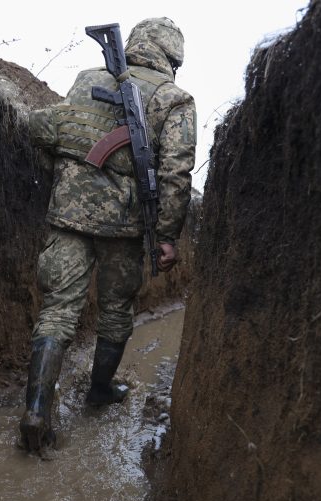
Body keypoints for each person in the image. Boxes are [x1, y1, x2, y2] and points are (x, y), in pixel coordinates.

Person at [20, 17, 196, 455]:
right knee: (116, 310)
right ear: (173, 57)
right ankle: (100, 390)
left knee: (58, 312)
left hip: (67, 216)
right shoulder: (175, 99)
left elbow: (50, 129)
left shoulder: (87, 79)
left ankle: (36, 411)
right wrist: (167, 235)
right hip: (123, 227)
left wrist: (66, 180)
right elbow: (176, 174)